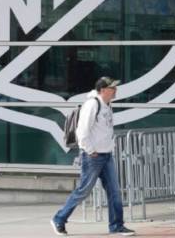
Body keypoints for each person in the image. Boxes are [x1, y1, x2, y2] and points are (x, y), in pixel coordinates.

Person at [50, 77, 136, 236]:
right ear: (103, 90)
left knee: (114, 192)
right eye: (112, 88)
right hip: (93, 156)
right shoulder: (92, 104)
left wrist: (108, 148)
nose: (115, 91)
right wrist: (90, 151)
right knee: (83, 191)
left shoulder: (107, 105)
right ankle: (59, 219)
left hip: (106, 154)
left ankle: (116, 226)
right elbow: (82, 132)